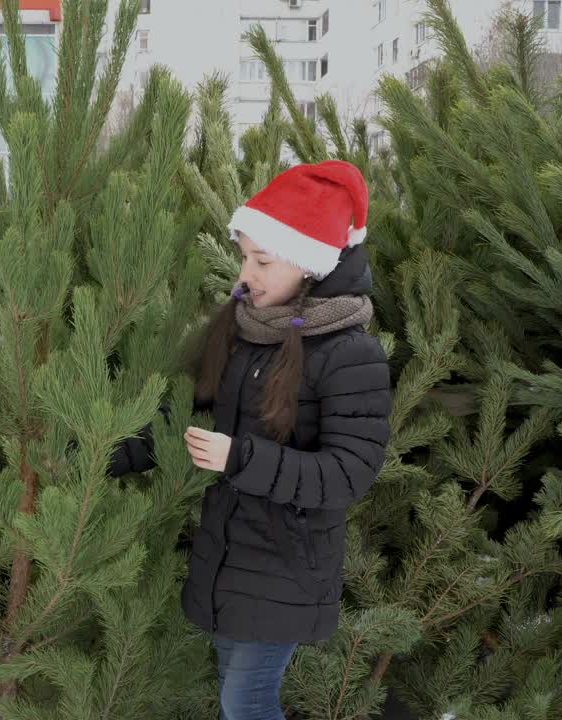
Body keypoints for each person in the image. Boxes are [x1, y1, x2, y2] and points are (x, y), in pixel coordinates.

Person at [110, 160, 392, 720]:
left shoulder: (349, 353)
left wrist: (240, 457)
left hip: (288, 565)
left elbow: (348, 473)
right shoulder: (249, 334)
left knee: (248, 701)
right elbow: (187, 422)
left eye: (262, 260)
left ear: (309, 263)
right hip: (230, 556)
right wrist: (102, 451)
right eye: (245, 257)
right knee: (236, 697)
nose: (247, 274)